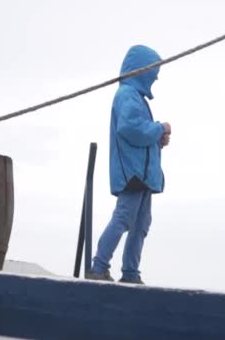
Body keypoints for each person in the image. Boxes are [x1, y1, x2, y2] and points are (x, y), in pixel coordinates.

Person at [86, 45, 171, 284]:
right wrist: (159, 128)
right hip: (133, 173)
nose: (157, 76)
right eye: (154, 70)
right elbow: (130, 128)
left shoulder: (135, 97)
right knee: (124, 217)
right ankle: (99, 267)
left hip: (142, 174)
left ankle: (130, 273)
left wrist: (157, 140)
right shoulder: (128, 95)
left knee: (141, 223)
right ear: (142, 70)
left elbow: (136, 133)